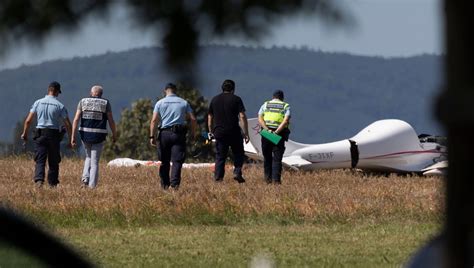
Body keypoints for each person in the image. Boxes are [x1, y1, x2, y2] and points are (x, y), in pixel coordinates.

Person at [21, 81, 72, 188]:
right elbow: (67, 124)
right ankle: (52, 184)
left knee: (40, 160)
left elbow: (28, 121)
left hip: (40, 134)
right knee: (53, 161)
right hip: (53, 135)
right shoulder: (60, 105)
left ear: (48, 90)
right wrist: (71, 138)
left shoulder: (38, 102)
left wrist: (25, 134)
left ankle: (39, 181)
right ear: (57, 91)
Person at [149, 83, 197, 189]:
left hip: (164, 134)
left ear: (165, 90)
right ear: (175, 90)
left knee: (164, 161)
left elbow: (154, 120)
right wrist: (193, 134)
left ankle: (165, 185)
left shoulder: (159, 103)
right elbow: (193, 119)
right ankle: (175, 185)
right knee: (177, 161)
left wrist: (152, 136)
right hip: (178, 135)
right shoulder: (184, 102)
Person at [71, 85, 116, 188]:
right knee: (95, 161)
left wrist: (73, 136)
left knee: (88, 156)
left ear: (91, 93)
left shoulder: (83, 101)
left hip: (85, 134)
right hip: (99, 135)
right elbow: (111, 120)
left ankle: (85, 178)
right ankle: (92, 186)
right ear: (101, 94)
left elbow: (76, 119)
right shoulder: (105, 103)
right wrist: (114, 134)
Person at [208, 79, 249, 183]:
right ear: (233, 89)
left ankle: (218, 178)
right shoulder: (236, 99)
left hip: (219, 132)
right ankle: (237, 172)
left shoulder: (214, 100)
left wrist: (211, 131)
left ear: (222, 88)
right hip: (234, 131)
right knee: (239, 153)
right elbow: (242, 116)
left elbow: (210, 117)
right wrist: (246, 132)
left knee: (220, 156)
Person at [258, 90, 291, 184]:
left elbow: (260, 118)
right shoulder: (285, 106)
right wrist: (276, 132)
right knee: (277, 158)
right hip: (278, 133)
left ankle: (267, 180)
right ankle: (276, 181)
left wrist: (267, 130)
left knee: (267, 157)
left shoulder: (265, 104)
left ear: (273, 97)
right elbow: (285, 121)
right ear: (282, 98)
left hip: (266, 132)